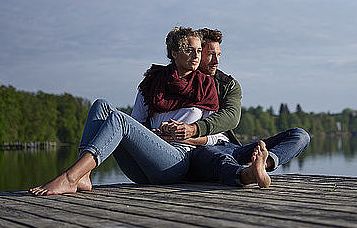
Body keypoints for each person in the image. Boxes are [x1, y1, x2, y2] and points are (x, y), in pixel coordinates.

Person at [29, 27, 224, 196]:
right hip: (142, 167)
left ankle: (70, 177)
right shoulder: (152, 82)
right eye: (189, 50)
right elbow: (136, 124)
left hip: (175, 164)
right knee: (101, 105)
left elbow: (217, 137)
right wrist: (153, 135)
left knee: (119, 119)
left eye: (199, 50)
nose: (197, 56)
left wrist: (184, 135)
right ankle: (84, 176)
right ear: (174, 53)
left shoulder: (205, 85)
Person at [162, 28, 310, 188]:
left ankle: (261, 165)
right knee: (217, 158)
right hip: (201, 150)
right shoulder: (179, 83)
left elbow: (231, 117)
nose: (216, 61)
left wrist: (194, 129)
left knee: (300, 136)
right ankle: (246, 174)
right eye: (210, 54)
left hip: (231, 147)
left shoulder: (227, 84)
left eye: (219, 55)